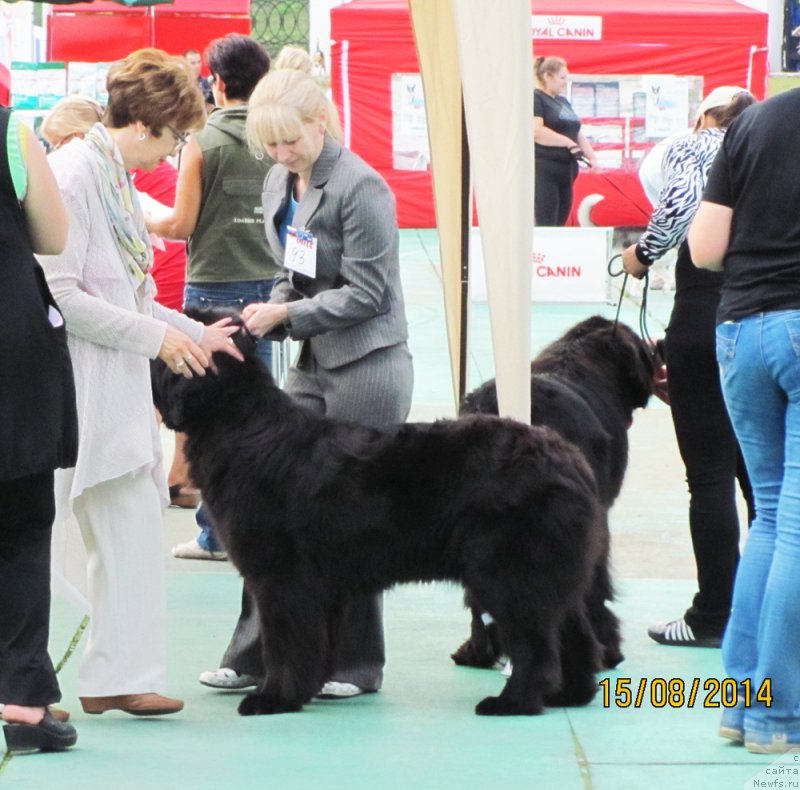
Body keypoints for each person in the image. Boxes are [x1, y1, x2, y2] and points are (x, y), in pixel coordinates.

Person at [37, 48, 242, 718]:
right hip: (66, 391)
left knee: (131, 530)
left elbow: (128, 291)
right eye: (176, 137)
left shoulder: (115, 178)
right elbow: (62, 295)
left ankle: (118, 675)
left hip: (118, 391)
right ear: (149, 125)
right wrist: (161, 339)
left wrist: (194, 331)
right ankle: (25, 689)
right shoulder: (71, 177)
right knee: (37, 544)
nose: (174, 153)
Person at [199, 68, 414, 698]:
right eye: (270, 144)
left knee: (357, 519)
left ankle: (354, 663)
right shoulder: (277, 181)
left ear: (321, 120)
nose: (280, 153)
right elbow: (290, 272)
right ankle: (256, 654)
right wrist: (270, 307)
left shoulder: (362, 187)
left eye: (290, 140)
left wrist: (286, 315)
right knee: (267, 515)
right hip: (310, 362)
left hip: (368, 365)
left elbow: (370, 294)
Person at [622, 87, 756, 649]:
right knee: (766, 485)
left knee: (708, 476)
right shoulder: (770, 148)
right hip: (765, 310)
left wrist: (641, 255)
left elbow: (677, 208)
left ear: (702, 116)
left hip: (705, 316)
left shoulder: (698, 143)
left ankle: (711, 616)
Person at [688, 86, 800, 754]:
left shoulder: (752, 122)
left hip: (739, 330)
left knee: (771, 515)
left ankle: (740, 703)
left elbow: (705, 247)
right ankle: (778, 714)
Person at [147, 33, 277, 561]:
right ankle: (262, 526)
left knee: (211, 419)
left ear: (217, 81)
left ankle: (215, 533)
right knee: (265, 412)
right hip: (271, 291)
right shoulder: (277, 135)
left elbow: (180, 223)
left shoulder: (205, 139)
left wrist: (143, 216)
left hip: (213, 290)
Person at [0, 106, 79, 754]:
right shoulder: (10, 132)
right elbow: (53, 236)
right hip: (9, 350)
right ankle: (23, 706)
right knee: (21, 526)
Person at [533, 55, 600, 226]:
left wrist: (591, 156)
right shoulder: (537, 98)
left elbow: (576, 131)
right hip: (545, 168)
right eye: (562, 78)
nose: (565, 82)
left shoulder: (562, 101)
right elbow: (537, 131)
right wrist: (567, 143)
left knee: (560, 220)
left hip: (566, 170)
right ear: (548, 76)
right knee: (546, 220)